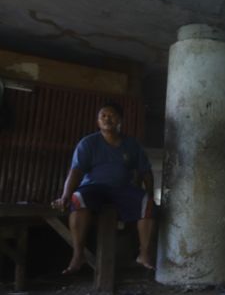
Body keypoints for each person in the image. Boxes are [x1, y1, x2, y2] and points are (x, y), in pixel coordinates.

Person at [51, 102, 155, 274]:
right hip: (94, 188)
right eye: (103, 116)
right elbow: (76, 171)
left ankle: (144, 254)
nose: (107, 118)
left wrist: (150, 192)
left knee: (147, 202)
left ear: (120, 119)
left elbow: (145, 172)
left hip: (122, 189)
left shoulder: (132, 144)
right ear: (98, 121)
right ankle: (78, 255)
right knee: (77, 199)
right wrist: (65, 195)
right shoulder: (88, 143)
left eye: (111, 115)